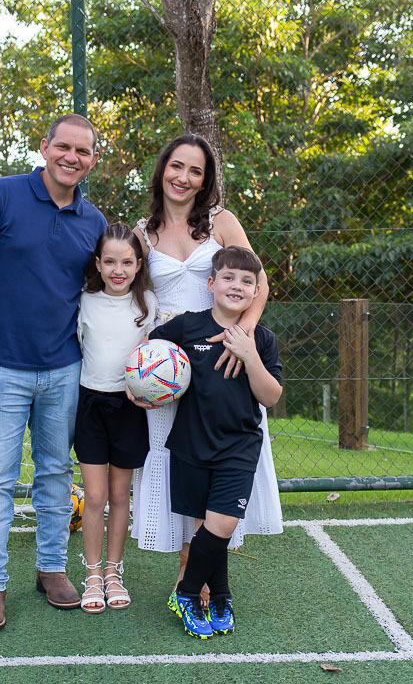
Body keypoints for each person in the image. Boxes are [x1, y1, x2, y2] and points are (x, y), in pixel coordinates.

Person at [0, 114, 107, 632]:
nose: (72, 157)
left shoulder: (95, 222)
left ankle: (51, 569)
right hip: (0, 369)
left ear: (93, 160)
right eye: (63, 146)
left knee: (56, 474)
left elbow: (110, 291)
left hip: (65, 369)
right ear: (44, 147)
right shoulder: (0, 195)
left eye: (83, 151)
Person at [130, 133, 284, 583]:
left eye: (195, 171)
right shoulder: (143, 231)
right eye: (177, 166)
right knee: (178, 458)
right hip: (168, 361)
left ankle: (204, 570)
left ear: (205, 180)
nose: (184, 177)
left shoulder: (220, 220)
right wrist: (137, 371)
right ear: (162, 170)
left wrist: (243, 337)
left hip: (222, 356)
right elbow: (127, 290)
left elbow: (260, 281)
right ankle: (185, 568)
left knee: (220, 456)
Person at [150, 246, 283, 638]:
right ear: (211, 284)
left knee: (223, 522)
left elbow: (271, 396)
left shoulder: (263, 338)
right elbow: (150, 356)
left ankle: (187, 592)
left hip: (239, 449)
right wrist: (144, 385)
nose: (237, 286)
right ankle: (221, 595)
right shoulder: (187, 326)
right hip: (191, 445)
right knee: (208, 528)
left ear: (257, 291)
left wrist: (249, 354)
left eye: (247, 281)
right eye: (228, 277)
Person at [73, 223, 158, 613]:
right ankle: (91, 574)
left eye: (126, 261)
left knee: (121, 495)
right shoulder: (84, 300)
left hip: (130, 408)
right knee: (95, 495)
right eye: (110, 261)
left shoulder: (148, 306)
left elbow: (157, 357)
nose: (118, 269)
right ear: (98, 263)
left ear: (139, 264)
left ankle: (113, 572)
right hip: (91, 404)